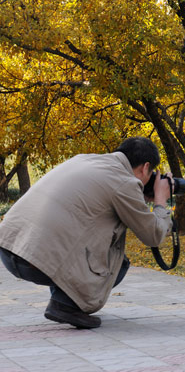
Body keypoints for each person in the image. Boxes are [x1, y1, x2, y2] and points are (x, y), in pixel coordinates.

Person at [0, 137, 173, 328]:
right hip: (34, 262)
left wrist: (140, 197)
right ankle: (66, 304)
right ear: (145, 167)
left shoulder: (84, 160)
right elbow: (153, 236)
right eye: (151, 174)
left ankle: (64, 298)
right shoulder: (124, 182)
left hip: (9, 250)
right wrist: (160, 201)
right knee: (119, 263)